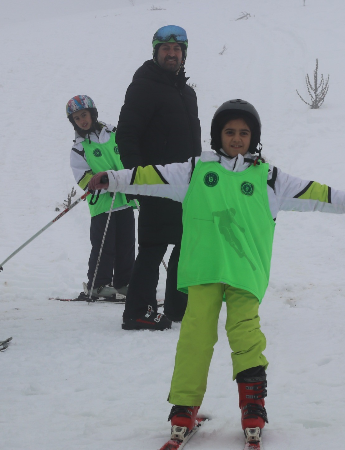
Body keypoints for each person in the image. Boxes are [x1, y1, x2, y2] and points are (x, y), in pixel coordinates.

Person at [86, 99, 345, 446]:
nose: (236, 138)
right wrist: (110, 179)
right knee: (195, 336)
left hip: (245, 272)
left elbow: (314, 193)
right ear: (217, 135)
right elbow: (149, 176)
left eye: (243, 132)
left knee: (245, 335)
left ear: (253, 137)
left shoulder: (269, 178)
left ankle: (253, 407)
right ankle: (184, 409)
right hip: (204, 270)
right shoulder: (195, 170)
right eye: (229, 132)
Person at [116, 25, 202, 329]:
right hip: (155, 181)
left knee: (185, 245)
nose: (172, 54)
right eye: (166, 49)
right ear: (156, 52)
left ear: (184, 54)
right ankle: (137, 312)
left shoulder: (186, 92)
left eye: (177, 50)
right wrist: (138, 179)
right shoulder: (144, 86)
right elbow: (127, 134)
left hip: (186, 185)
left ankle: (178, 309)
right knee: (153, 248)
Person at [66, 95, 136, 302]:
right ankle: (97, 284)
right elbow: (82, 175)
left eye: (84, 115)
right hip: (103, 203)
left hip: (124, 198)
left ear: (93, 114)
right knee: (104, 244)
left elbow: (127, 155)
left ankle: (124, 282)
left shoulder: (114, 134)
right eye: (77, 118)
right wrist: (99, 183)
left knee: (127, 243)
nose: (82, 121)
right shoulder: (79, 148)